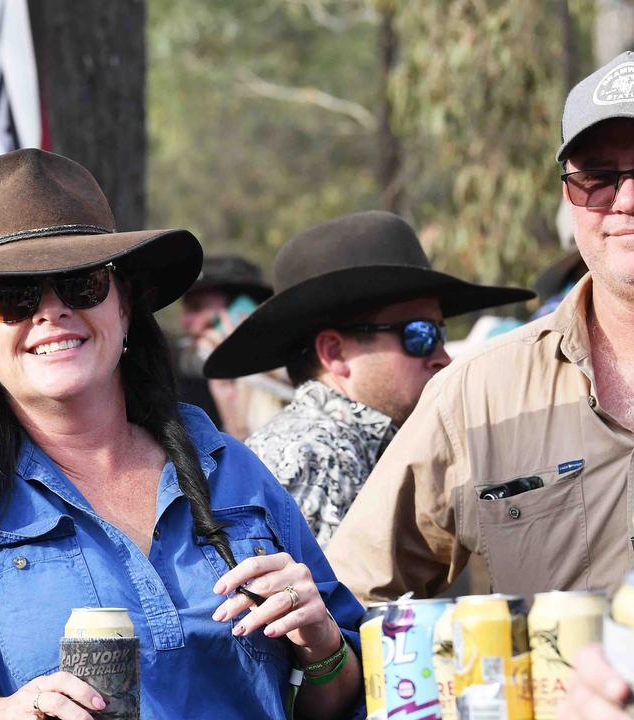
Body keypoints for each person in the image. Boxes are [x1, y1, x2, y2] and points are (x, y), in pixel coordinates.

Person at [0, 149, 364, 720]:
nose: (52, 313)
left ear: (125, 305)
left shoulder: (227, 465)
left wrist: (323, 648)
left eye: (81, 285)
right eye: (11, 297)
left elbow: (348, 694)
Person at [325, 52, 634, 597]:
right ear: (569, 192)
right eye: (597, 177)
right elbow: (351, 600)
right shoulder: (479, 393)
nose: (625, 199)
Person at [204, 211, 532, 546]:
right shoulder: (312, 457)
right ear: (335, 353)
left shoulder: (366, 445)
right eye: (420, 334)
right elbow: (322, 596)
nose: (443, 358)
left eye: (440, 334)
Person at [176, 255, 288, 439]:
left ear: (241, 314)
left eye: (197, 308)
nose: (185, 322)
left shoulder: (296, 373)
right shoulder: (182, 381)